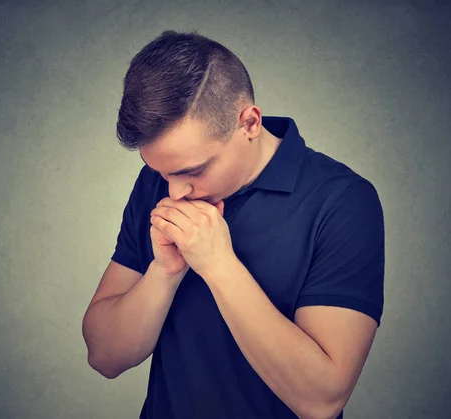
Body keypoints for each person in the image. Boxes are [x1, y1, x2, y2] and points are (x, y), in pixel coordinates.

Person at [82, 30, 384, 419]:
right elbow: (105, 357)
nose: (175, 191)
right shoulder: (162, 180)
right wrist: (163, 272)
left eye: (194, 170)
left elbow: (321, 400)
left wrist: (218, 265)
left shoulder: (343, 201)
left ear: (250, 123)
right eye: (160, 172)